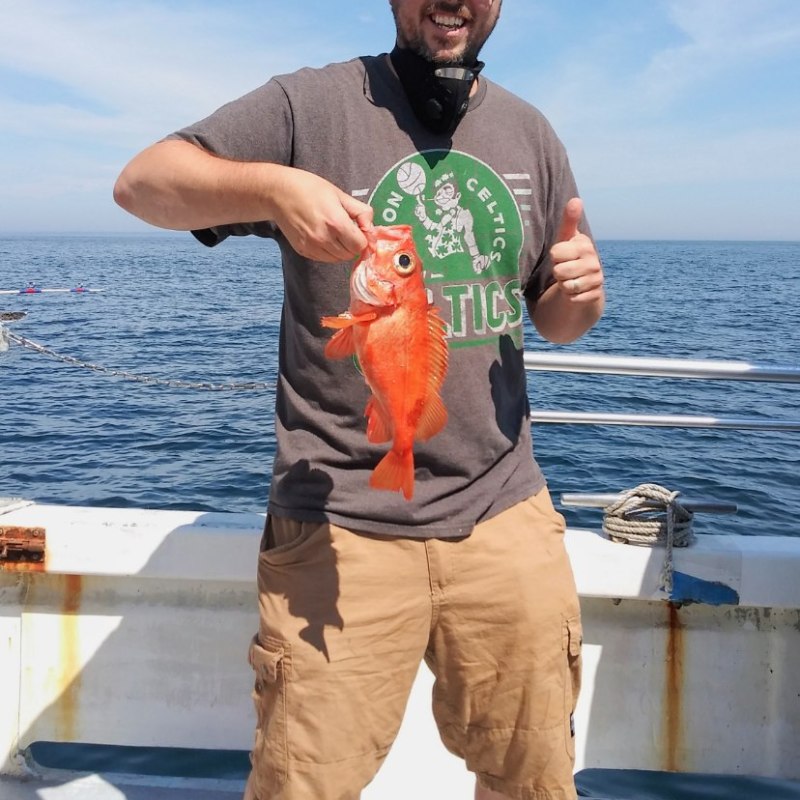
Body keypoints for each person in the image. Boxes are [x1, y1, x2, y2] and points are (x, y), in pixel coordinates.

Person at [114, 1, 605, 797]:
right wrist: (273, 188)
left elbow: (556, 316)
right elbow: (141, 185)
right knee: (304, 783)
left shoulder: (531, 132)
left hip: (507, 520)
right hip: (338, 526)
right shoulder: (310, 107)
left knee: (537, 776)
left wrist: (581, 297)